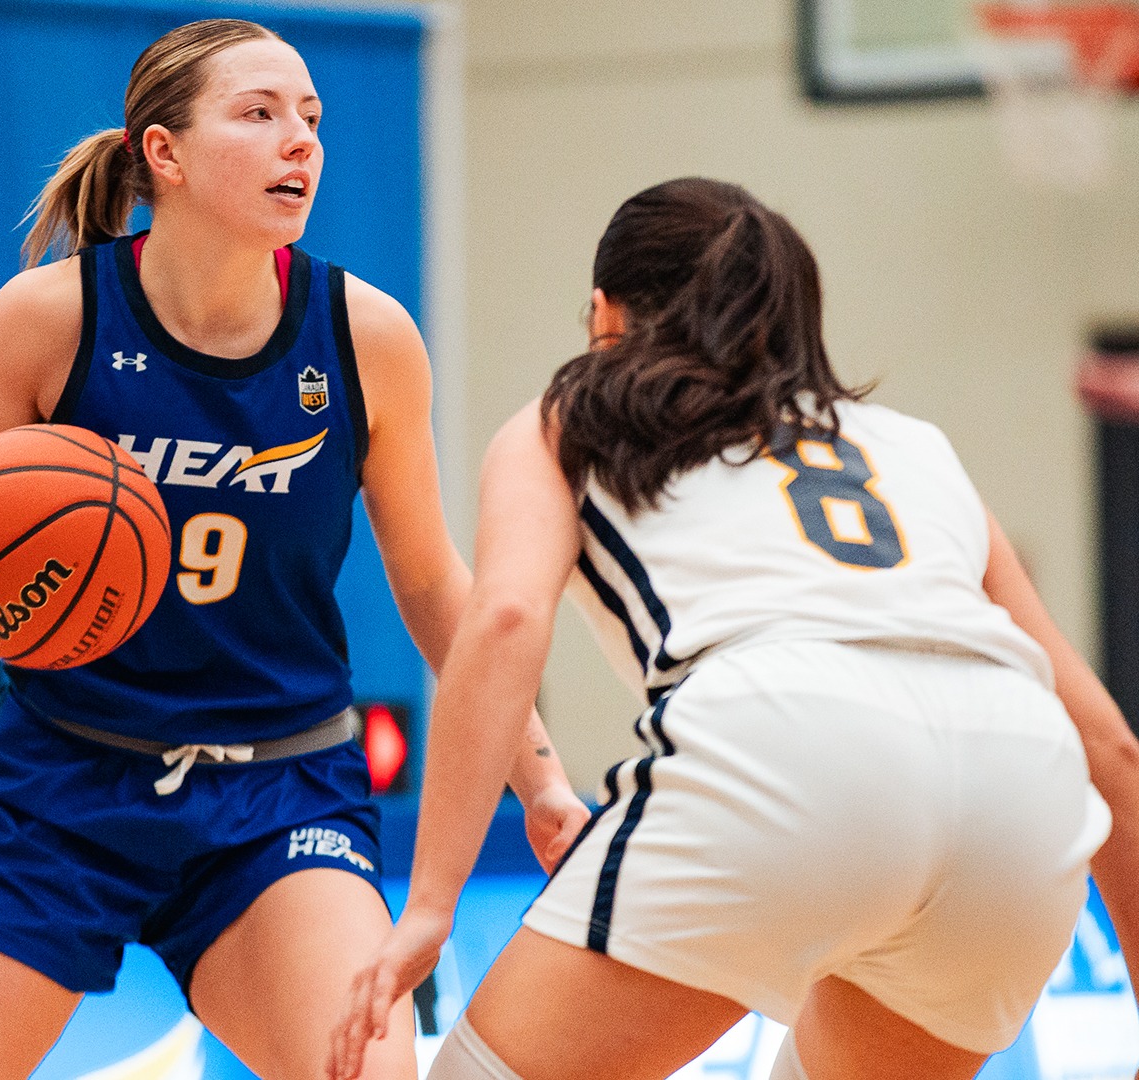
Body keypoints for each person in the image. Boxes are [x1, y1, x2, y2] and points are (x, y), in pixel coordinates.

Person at [0, 19, 588, 1079]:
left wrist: (542, 783)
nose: (301, 142)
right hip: (61, 776)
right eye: (261, 114)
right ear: (165, 153)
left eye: (313, 120)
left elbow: (432, 584)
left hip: (277, 790)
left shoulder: (365, 337)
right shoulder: (48, 321)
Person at [329, 177, 1139, 1080]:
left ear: (604, 316)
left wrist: (432, 902)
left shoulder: (575, 413)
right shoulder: (911, 445)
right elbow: (1109, 744)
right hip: (1022, 787)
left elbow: (508, 616)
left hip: (790, 740)